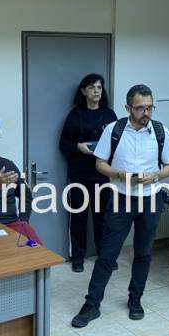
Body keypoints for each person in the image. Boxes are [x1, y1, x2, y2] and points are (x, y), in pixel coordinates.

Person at [71, 84, 169, 328]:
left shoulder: (160, 131)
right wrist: (120, 175)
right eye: (140, 108)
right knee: (108, 254)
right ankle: (91, 305)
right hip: (121, 197)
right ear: (128, 108)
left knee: (143, 253)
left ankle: (135, 299)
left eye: (150, 107)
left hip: (151, 198)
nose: (146, 112)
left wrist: (155, 176)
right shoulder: (114, 130)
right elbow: (100, 163)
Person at [59, 73, 117, 272]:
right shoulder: (75, 115)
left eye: (99, 87)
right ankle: (78, 258)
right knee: (79, 218)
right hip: (79, 175)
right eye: (92, 87)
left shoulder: (109, 115)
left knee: (103, 219)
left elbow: (118, 142)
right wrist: (78, 147)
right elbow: (63, 144)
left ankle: (105, 256)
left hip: (102, 175)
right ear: (84, 91)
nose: (96, 91)